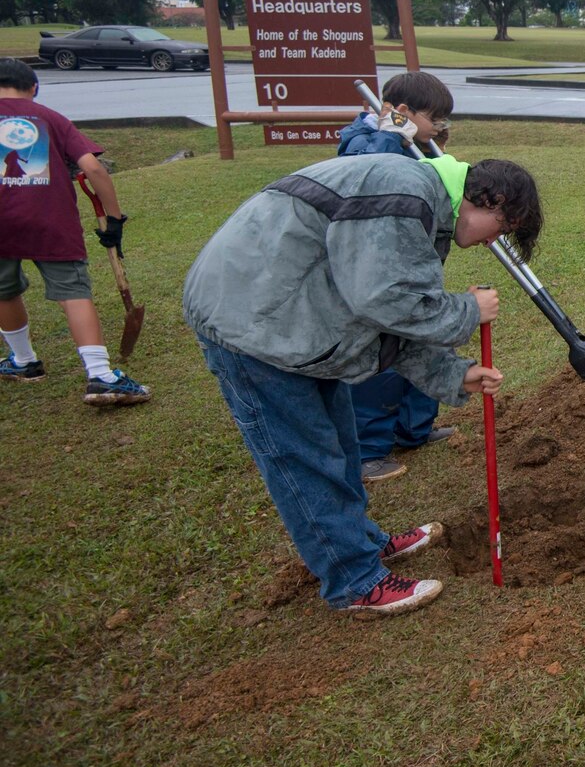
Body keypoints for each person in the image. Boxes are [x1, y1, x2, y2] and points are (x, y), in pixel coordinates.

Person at [183, 152, 541, 618]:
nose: (495, 239)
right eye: (502, 227)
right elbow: (385, 299)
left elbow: (382, 315)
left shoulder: (422, 206)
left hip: (298, 325)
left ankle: (361, 541)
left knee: (339, 446)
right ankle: (353, 579)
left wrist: (454, 374)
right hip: (253, 325)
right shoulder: (402, 192)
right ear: (489, 200)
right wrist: (467, 311)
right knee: (306, 458)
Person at [333, 70, 460, 485]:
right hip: (379, 274)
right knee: (382, 363)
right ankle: (369, 451)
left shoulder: (415, 143)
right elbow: (366, 176)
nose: (437, 128)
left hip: (416, 262)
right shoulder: (363, 141)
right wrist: (392, 136)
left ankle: (414, 430)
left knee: (428, 338)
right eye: (434, 120)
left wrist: (432, 144)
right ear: (402, 113)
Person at [0, 58, 149, 406]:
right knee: (72, 291)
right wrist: (114, 220)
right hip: (49, 219)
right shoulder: (50, 118)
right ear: (34, 88)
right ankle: (100, 375)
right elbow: (93, 167)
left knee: (4, 291)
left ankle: (24, 362)